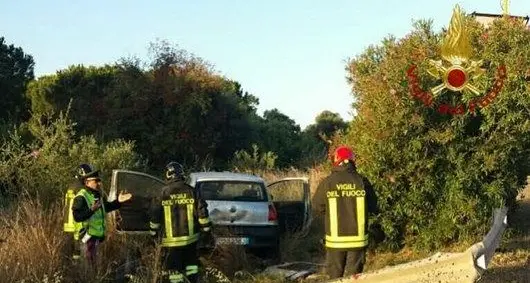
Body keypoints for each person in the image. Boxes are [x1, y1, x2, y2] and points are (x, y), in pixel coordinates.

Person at [313, 145, 379, 279]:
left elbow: (317, 207)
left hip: (335, 242)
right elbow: (373, 208)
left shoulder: (328, 183)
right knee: (353, 278)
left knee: (334, 278)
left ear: (336, 161)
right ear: (352, 161)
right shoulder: (362, 181)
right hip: (358, 242)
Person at [148, 161, 212, 283]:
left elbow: (154, 216)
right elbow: (202, 214)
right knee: (191, 268)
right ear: (181, 174)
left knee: (174, 272)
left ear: (168, 175)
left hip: (171, 244)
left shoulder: (162, 193)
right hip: (191, 241)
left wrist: (153, 234)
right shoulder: (192, 191)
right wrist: (206, 232)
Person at [72, 163, 132, 267]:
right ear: (87, 182)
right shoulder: (81, 197)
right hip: (87, 240)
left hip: (96, 240)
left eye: (99, 180)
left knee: (95, 269)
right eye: (96, 180)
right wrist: (91, 210)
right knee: (88, 270)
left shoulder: (96, 195)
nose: (99, 183)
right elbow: (77, 217)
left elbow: (106, 207)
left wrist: (119, 202)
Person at [62, 175, 83, 261]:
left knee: (69, 248)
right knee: (77, 249)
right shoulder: (80, 188)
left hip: (67, 222)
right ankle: (77, 268)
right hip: (76, 222)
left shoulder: (71, 186)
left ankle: (68, 266)